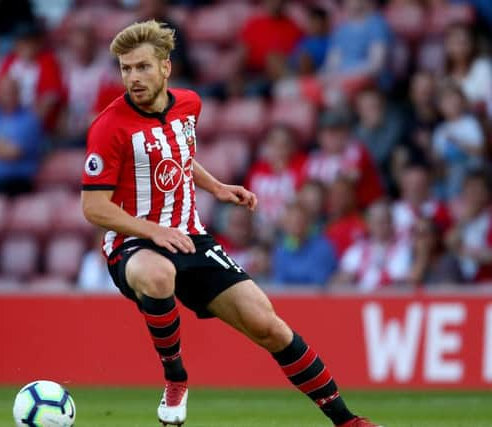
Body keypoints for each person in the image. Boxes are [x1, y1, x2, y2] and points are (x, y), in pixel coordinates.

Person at [81, 20, 379, 427]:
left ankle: (347, 420)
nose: (133, 77)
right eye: (126, 69)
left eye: (142, 67)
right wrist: (153, 231)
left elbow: (176, 154)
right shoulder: (108, 127)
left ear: (165, 67)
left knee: (268, 325)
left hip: (191, 237)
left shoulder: (188, 105)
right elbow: (93, 207)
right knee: (157, 274)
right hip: (133, 243)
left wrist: (216, 186)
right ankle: (176, 377)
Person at [331, 201, 412, 292]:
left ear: (392, 224)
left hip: (393, 300)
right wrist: (344, 278)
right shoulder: (357, 251)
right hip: (361, 301)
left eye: (385, 221)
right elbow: (340, 280)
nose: (381, 226)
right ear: (368, 224)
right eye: (377, 222)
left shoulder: (403, 249)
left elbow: (401, 280)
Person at [271, 201, 337, 287]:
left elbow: (320, 284)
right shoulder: (281, 251)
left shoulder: (322, 248)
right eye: (290, 221)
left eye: (299, 221)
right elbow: (279, 284)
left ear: (307, 223)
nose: (295, 225)